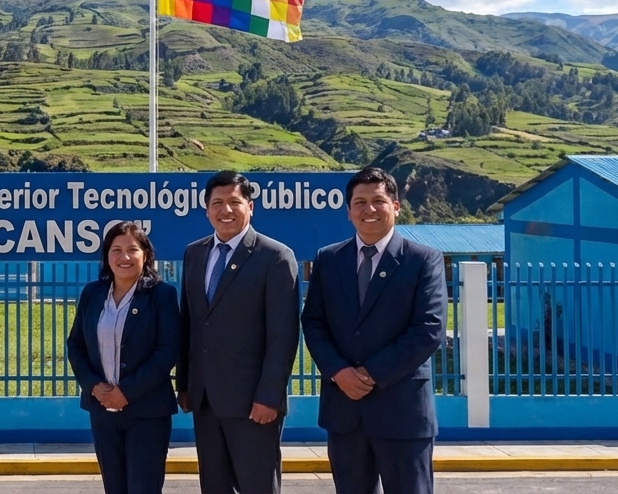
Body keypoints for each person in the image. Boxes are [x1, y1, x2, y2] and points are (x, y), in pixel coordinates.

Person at [300, 167, 448, 494]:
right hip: (344, 413)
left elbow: (429, 328)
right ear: (348, 211)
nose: (369, 209)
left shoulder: (423, 260)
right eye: (360, 202)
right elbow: (313, 322)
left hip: (403, 411)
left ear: (395, 206)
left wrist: (370, 374)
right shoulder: (328, 259)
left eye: (378, 201)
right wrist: (339, 372)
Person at [177, 170, 301, 493]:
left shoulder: (275, 257)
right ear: (206, 210)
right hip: (205, 401)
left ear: (250, 207)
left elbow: (283, 336)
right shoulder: (194, 254)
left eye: (234, 202)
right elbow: (190, 324)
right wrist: (185, 385)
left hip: (253, 405)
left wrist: (269, 397)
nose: (226, 210)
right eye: (217, 203)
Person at [66, 222, 180, 494]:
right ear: (107, 256)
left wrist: (126, 392)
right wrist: (94, 386)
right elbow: (76, 345)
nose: (124, 257)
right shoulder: (92, 294)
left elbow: (167, 351)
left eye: (132, 249)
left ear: (146, 255)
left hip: (147, 412)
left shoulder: (162, 295)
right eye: (116, 250)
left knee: (143, 488)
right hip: (102, 410)